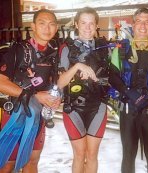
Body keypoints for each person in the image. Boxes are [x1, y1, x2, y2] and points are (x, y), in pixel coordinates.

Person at [0, 9, 61, 172]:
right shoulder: (18, 50)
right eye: (42, 23)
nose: (47, 28)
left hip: (39, 115)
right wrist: (35, 95)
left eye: (51, 24)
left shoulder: (53, 53)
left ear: (56, 28)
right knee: (8, 163)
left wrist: (55, 98)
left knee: (32, 161)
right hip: (16, 114)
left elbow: (51, 84)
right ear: (33, 26)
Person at [109, 7, 148, 173]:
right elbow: (113, 76)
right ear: (133, 24)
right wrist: (128, 92)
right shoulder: (121, 49)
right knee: (128, 155)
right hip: (128, 110)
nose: (143, 26)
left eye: (147, 22)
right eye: (139, 21)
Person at [57, 7, 109, 173]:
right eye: (83, 23)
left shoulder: (104, 48)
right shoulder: (67, 49)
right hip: (74, 109)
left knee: (92, 155)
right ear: (76, 25)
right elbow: (60, 83)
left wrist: (98, 79)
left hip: (98, 107)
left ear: (96, 26)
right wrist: (78, 66)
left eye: (91, 23)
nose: (87, 27)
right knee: (79, 155)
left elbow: (113, 79)